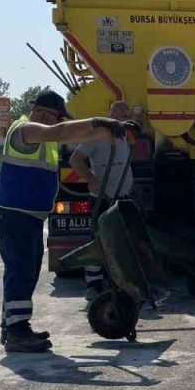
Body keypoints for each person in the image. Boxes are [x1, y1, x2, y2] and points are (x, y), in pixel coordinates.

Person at [0, 91, 132, 353]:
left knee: (23, 271)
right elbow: (61, 132)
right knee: (21, 271)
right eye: (57, 117)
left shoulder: (44, 138)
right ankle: (17, 332)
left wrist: (108, 131)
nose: (58, 122)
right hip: (15, 214)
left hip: (26, 215)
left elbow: (72, 136)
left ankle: (11, 326)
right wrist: (99, 122)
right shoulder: (25, 130)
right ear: (43, 112)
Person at [69, 100, 136, 301]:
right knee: (98, 239)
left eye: (126, 117)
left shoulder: (122, 137)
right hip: (103, 198)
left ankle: (119, 281)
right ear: (111, 115)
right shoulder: (97, 136)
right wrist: (91, 179)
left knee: (120, 241)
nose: (123, 121)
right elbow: (75, 159)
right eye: (121, 116)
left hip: (121, 198)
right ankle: (94, 284)